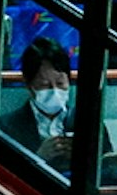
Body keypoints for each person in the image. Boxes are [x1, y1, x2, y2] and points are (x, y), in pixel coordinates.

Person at [9, 36, 80, 169]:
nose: (54, 91)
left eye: (60, 84)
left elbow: (106, 169)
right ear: (30, 86)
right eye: (45, 85)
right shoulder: (8, 126)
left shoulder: (88, 122)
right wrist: (38, 157)